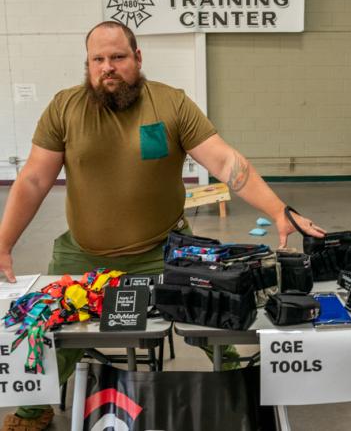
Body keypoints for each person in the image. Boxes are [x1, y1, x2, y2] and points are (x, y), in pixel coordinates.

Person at [0, 21, 325, 430]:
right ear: (87, 64)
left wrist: (279, 209)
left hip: (164, 249)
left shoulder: (171, 104)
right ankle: (34, 408)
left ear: (137, 58)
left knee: (213, 318)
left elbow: (226, 162)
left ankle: (238, 387)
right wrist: (4, 242)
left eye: (117, 57)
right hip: (82, 253)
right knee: (48, 329)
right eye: (97, 59)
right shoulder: (65, 107)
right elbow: (33, 179)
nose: (108, 67)